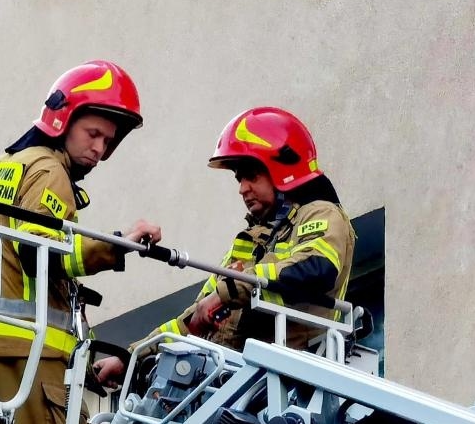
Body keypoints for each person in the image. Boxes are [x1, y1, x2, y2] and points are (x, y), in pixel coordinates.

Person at [0, 61, 160, 424]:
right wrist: (119, 246)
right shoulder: (49, 171)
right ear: (63, 119)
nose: (100, 151)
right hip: (28, 357)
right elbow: (40, 253)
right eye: (93, 134)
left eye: (108, 141)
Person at [92, 107, 354, 389]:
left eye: (251, 175)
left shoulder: (321, 214)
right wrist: (130, 357)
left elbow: (318, 268)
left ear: (281, 167)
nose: (242, 188)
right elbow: (195, 316)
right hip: (237, 384)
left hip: (288, 383)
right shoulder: (250, 240)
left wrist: (230, 290)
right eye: (239, 179)